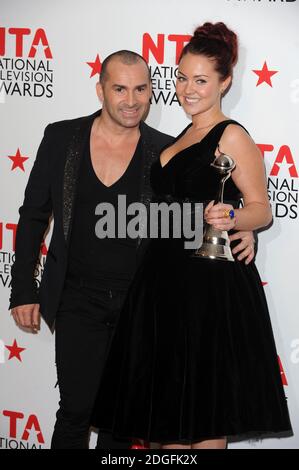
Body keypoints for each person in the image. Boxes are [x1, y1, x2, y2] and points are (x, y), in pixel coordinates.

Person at [9, 49, 255, 450]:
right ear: (100, 90)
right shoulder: (61, 137)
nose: (131, 99)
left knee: (123, 422)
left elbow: (197, 209)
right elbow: (33, 214)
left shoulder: (165, 152)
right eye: (120, 88)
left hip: (142, 303)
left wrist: (244, 226)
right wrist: (23, 289)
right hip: (76, 299)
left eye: (141, 88)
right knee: (75, 411)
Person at [91, 24, 292, 449]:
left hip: (207, 290)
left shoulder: (231, 135)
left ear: (225, 83)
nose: (187, 89)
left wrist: (233, 219)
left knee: (203, 416)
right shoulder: (181, 136)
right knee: (169, 423)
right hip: (162, 285)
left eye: (200, 80)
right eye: (182, 78)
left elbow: (261, 208)